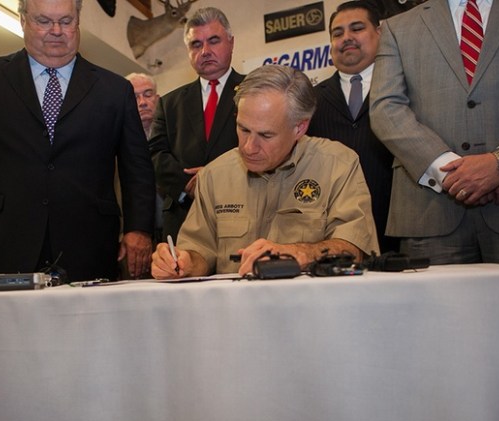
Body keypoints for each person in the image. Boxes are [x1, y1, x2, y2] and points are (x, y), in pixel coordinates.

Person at [370, 0, 499, 321]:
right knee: (438, 339)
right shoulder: (398, 28)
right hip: (431, 214)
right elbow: (385, 108)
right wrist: (449, 171)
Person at [0, 0, 155, 283]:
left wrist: (139, 229)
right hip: (5, 240)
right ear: (23, 21)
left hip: (90, 242)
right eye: (43, 21)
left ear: (78, 22)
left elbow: (137, 168)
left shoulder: (115, 90)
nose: (56, 30)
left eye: (66, 21)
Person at [151, 64, 379, 279]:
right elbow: (200, 250)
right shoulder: (215, 175)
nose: (249, 147)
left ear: (300, 127)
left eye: (266, 135)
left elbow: (354, 249)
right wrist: (184, 262)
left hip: (310, 305)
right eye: (243, 129)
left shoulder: (338, 165)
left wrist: (300, 253)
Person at [307, 1, 397, 253]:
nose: (346, 37)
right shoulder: (310, 100)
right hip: (336, 234)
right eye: (337, 33)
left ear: (379, 33)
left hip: (399, 226)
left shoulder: (402, 87)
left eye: (357, 28)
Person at [149, 6, 245, 242]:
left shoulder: (256, 91)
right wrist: (188, 185)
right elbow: (155, 155)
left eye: (214, 41)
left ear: (231, 43)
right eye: (196, 44)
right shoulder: (168, 103)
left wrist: (212, 177)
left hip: (244, 212)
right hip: (183, 217)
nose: (205, 51)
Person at [125, 72, 163, 244]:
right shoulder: (116, 140)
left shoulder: (176, 135)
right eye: (134, 97)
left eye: (148, 94)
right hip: (134, 233)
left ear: (158, 99)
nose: (142, 102)